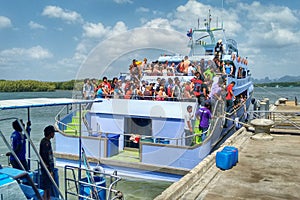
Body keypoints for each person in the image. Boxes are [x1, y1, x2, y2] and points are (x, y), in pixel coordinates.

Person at [39, 125, 56, 200]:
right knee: (46, 186)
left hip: (49, 168)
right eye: (53, 133)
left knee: (48, 185)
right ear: (50, 133)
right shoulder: (45, 143)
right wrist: (49, 170)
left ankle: (48, 198)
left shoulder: (47, 142)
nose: (54, 134)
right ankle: (45, 198)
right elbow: (45, 158)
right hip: (46, 168)